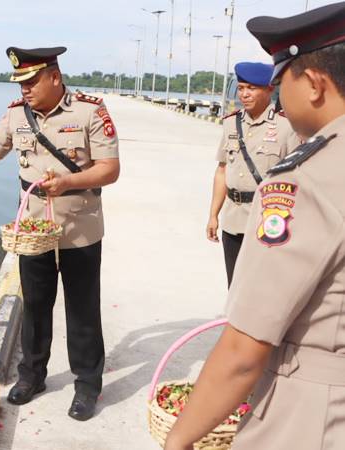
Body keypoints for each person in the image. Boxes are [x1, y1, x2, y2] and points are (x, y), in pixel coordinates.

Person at [165, 2, 345, 449]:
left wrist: (179, 440)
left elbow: (244, 351)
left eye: (282, 81)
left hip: (315, 413)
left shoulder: (306, 181)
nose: (278, 93)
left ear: (316, 84)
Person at [0, 46, 120, 421]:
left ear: (54, 76)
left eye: (31, 80)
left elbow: (110, 169)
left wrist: (69, 180)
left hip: (79, 229)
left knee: (82, 310)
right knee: (36, 307)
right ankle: (32, 377)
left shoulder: (89, 110)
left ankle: (87, 385)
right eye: (20, 82)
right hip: (34, 229)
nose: (25, 88)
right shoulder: (15, 116)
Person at [206, 62, 300, 286]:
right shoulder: (231, 124)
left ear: (269, 89)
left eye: (251, 88)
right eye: (241, 88)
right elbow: (222, 171)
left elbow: (299, 179)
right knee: (235, 285)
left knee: (263, 287)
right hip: (233, 218)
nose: (244, 94)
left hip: (269, 222)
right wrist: (213, 214)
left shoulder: (287, 127)